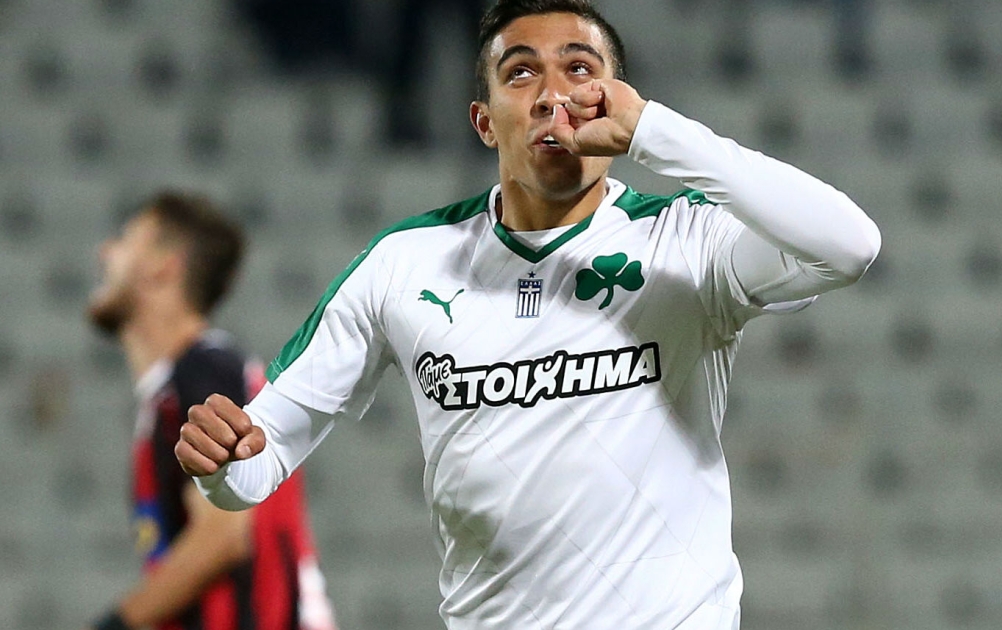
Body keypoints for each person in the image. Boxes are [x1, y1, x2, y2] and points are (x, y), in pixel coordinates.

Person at [177, 0, 881, 627]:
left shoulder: (685, 240)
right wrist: (222, 465)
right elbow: (258, 463)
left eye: (580, 70)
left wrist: (655, 133)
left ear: (617, 101)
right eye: (520, 74)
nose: (552, 96)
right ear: (484, 122)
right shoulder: (403, 263)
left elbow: (850, 246)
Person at [86, 192, 335, 630]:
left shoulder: (202, 371)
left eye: (125, 240)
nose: (104, 252)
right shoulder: (189, 381)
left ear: (163, 265)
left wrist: (116, 624)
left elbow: (223, 534)